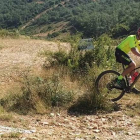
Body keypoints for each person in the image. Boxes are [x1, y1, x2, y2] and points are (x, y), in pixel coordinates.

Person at [114, 28, 140, 93]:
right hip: (119, 52)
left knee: (133, 66)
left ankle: (131, 85)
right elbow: (133, 50)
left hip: (123, 53)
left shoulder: (138, 42)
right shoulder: (132, 38)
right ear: (138, 33)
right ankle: (118, 80)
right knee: (133, 64)